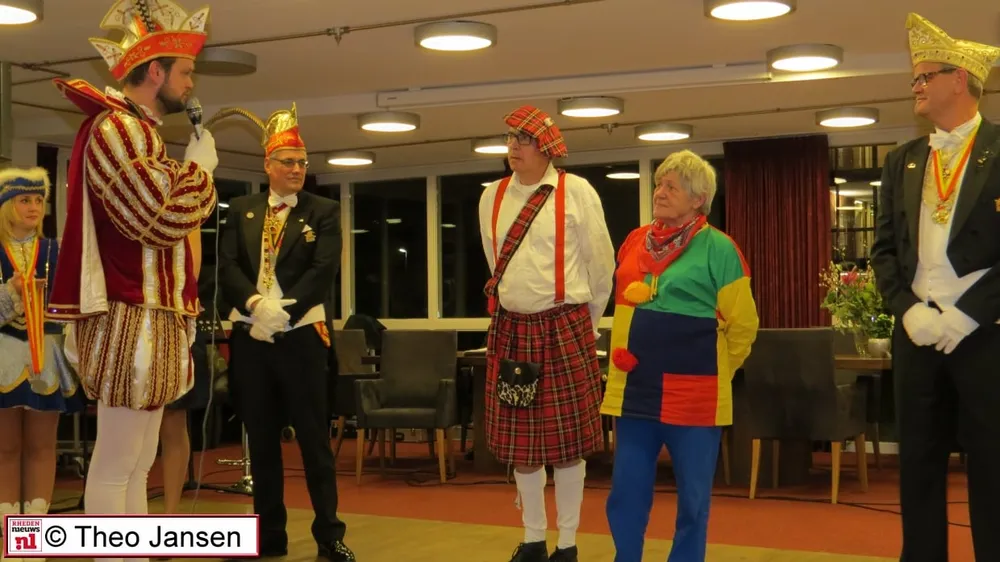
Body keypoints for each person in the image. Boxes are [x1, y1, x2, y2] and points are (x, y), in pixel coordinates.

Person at [45, 0, 218, 550]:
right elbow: (156, 216)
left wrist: (188, 172)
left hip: (150, 314)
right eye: (186, 71)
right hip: (126, 314)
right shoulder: (115, 127)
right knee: (117, 461)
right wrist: (201, 173)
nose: (191, 83)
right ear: (156, 72)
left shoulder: (140, 131)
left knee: (139, 461)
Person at [870, 13, 1000, 561]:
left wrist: (967, 314)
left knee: (992, 466)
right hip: (918, 335)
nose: (916, 86)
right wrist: (907, 310)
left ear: (959, 80)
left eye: (925, 76)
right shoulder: (902, 160)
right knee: (917, 465)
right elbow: (883, 252)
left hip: (985, 335)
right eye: (915, 78)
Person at [600, 150, 759, 562]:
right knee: (626, 492)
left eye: (672, 186)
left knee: (693, 500)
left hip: (696, 395)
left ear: (698, 199)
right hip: (635, 389)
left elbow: (743, 326)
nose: (660, 191)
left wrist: (719, 370)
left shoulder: (720, 248)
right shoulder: (634, 241)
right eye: (659, 184)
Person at [478, 105, 615, 562]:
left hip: (564, 325)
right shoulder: (491, 197)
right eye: (510, 139)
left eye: (523, 140)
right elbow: (497, 264)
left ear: (547, 147)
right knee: (523, 444)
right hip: (512, 328)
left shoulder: (576, 191)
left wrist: (583, 327)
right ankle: (534, 538)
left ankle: (568, 543)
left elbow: (601, 267)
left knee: (567, 444)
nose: (512, 147)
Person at [218, 104, 353, 562]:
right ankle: (269, 535)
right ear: (268, 165)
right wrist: (256, 306)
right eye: (288, 162)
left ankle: (329, 536)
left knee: (314, 441)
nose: (297, 169)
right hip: (250, 335)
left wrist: (283, 312)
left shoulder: (324, 210)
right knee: (261, 440)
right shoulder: (241, 209)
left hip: (301, 337)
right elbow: (227, 267)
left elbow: (323, 271)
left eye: (302, 162)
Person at [0, 167, 84, 556]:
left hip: (47, 357)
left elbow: (74, 305)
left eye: (38, 200)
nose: (34, 207)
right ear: (5, 205)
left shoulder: (57, 250)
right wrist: (11, 292)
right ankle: (9, 534)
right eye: (24, 200)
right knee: (5, 448)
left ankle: (32, 536)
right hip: (3, 355)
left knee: (42, 446)